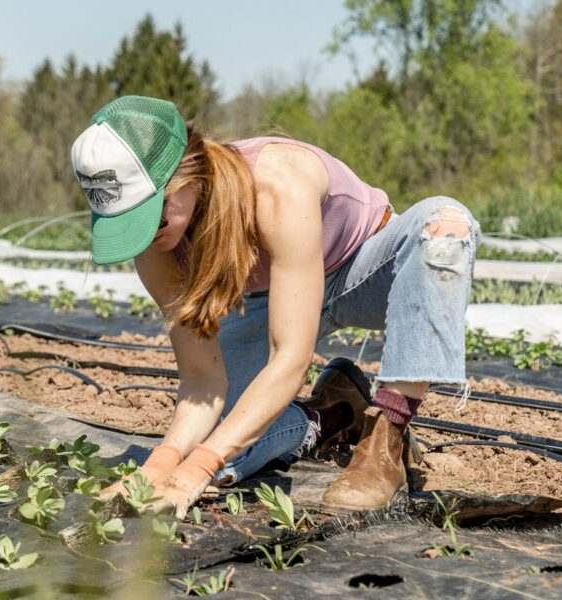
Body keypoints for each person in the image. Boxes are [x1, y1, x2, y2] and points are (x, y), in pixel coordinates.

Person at [71, 95, 480, 518]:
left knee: (445, 225)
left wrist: (198, 467)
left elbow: (290, 358)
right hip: (273, 299)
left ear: (187, 173)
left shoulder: (275, 182)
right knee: (222, 439)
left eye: (151, 216)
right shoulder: (156, 247)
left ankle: (387, 437)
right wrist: (162, 464)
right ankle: (330, 414)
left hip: (365, 272)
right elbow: (202, 380)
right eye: (127, 224)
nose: (147, 235)